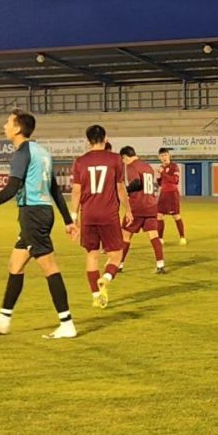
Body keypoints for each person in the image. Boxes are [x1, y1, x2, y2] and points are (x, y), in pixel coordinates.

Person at [0, 110, 78, 339]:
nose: (5, 125)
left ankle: (67, 323)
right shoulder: (43, 152)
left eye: (8, 122)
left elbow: (11, 189)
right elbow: (54, 190)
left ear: (18, 128)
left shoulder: (22, 153)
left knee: (50, 267)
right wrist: (68, 220)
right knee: (15, 264)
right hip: (42, 212)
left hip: (32, 214)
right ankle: (3, 319)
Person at [69, 125, 129, 308]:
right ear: (106, 138)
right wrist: (129, 209)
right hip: (108, 214)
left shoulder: (80, 162)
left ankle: (96, 296)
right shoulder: (115, 159)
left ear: (87, 141)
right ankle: (106, 278)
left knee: (92, 255)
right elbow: (120, 188)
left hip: (88, 215)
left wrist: (74, 218)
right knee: (116, 255)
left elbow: (76, 192)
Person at [119, 146, 166, 274]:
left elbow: (137, 183)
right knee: (154, 236)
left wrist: (125, 190)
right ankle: (160, 264)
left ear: (125, 157)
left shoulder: (131, 166)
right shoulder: (147, 166)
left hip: (137, 206)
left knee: (125, 236)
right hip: (151, 206)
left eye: (123, 160)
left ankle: (119, 264)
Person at [156, 147, 186, 245]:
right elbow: (161, 183)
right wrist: (158, 178)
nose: (164, 157)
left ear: (169, 155)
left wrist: (163, 173)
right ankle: (160, 238)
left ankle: (182, 237)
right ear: (159, 157)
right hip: (163, 194)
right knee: (159, 216)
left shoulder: (174, 166)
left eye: (165, 155)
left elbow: (175, 180)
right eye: (161, 156)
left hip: (172, 194)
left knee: (176, 216)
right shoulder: (161, 167)